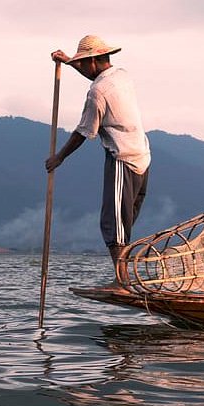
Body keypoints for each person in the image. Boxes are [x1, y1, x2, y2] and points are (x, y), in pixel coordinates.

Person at [46, 35, 151, 284]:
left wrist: (58, 158)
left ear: (93, 61)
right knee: (124, 222)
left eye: (83, 63)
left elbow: (84, 132)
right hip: (143, 157)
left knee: (113, 224)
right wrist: (70, 61)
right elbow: (95, 74)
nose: (81, 67)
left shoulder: (97, 92)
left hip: (122, 158)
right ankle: (124, 276)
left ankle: (122, 280)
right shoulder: (121, 76)